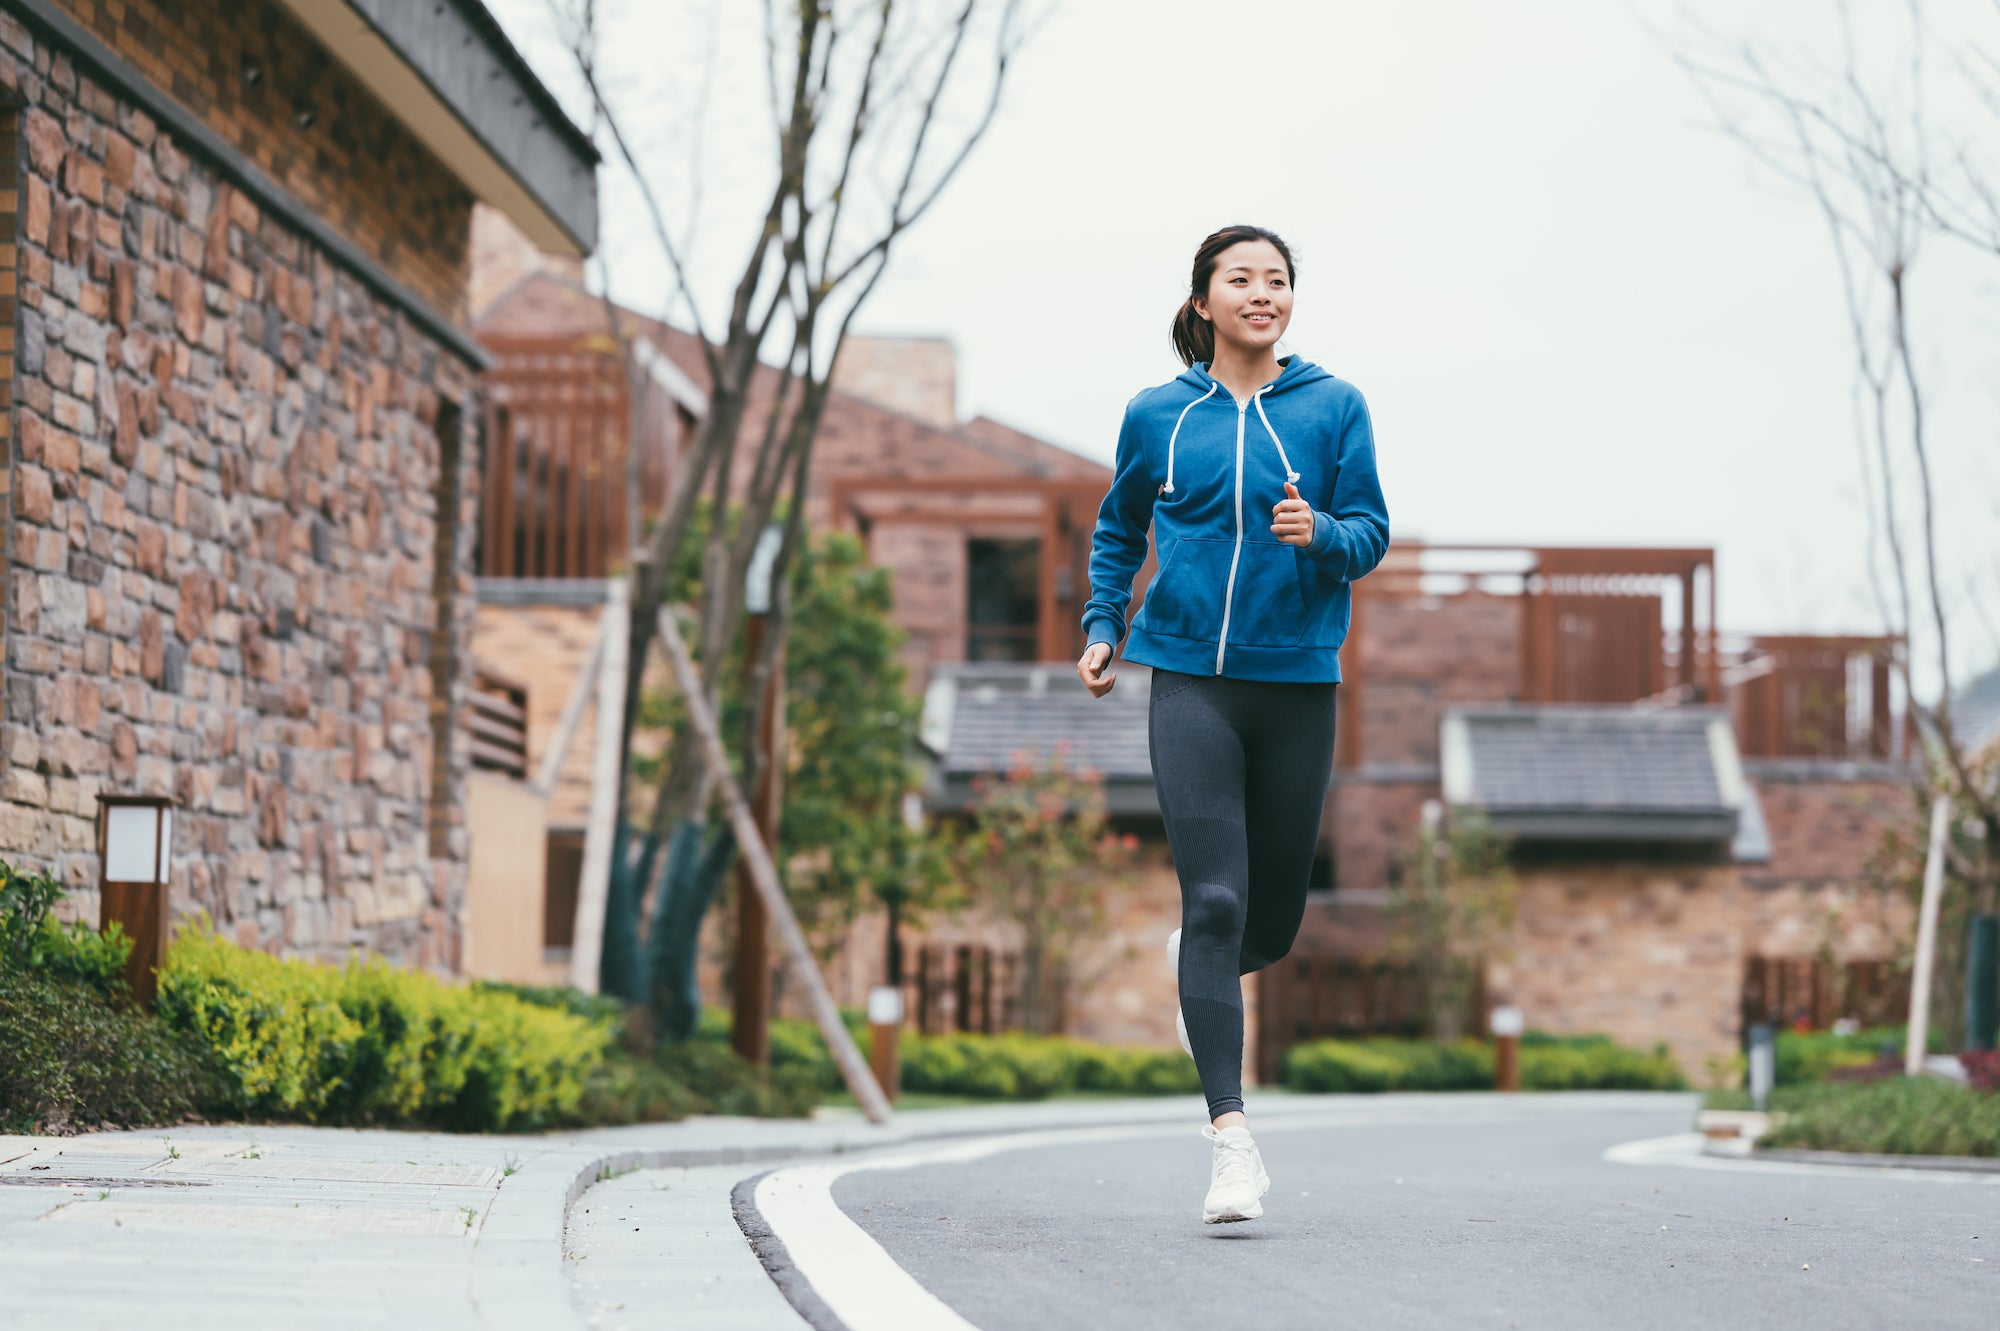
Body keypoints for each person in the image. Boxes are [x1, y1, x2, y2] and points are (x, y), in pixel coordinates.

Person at [1075, 224, 1389, 1224]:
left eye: (1278, 279)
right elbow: (1119, 524)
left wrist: (1322, 535)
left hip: (1294, 683)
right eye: (1242, 279)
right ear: (1202, 301)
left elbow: (1371, 529)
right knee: (1211, 900)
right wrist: (1101, 623)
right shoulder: (1157, 415)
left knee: (1269, 922)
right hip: (1189, 683)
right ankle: (1229, 1139)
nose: (1264, 293)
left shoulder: (1334, 407)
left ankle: (1199, 961)